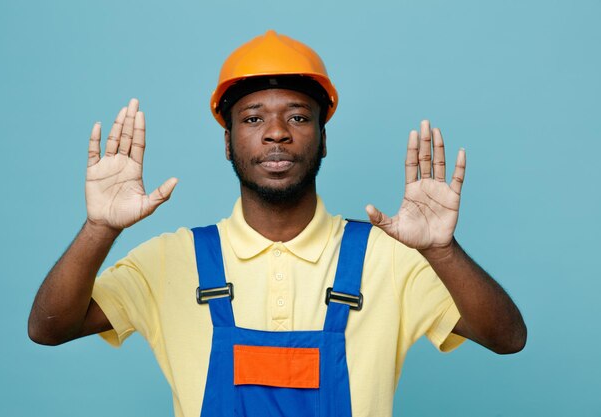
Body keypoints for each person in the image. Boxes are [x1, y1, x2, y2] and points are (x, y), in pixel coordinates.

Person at [28, 30, 526, 417]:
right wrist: (100, 228)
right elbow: (50, 328)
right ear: (227, 143)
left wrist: (441, 250)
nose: (275, 134)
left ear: (323, 139)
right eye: (251, 119)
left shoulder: (388, 257)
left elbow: (506, 338)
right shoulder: (170, 260)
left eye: (298, 117)